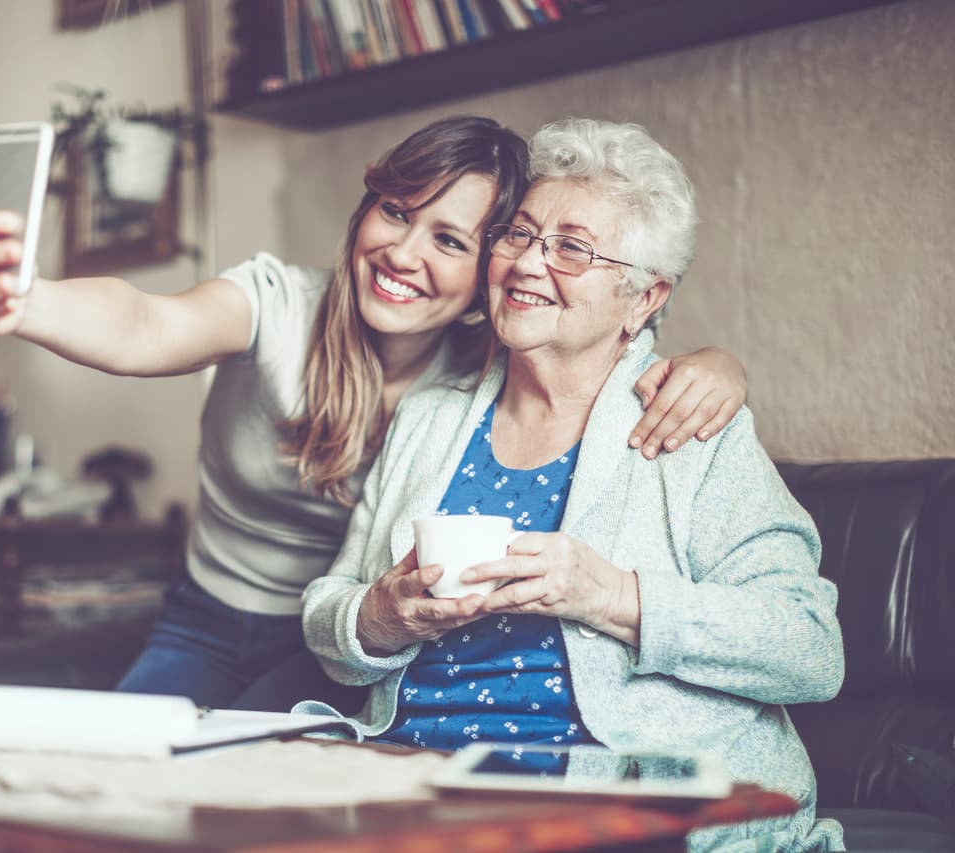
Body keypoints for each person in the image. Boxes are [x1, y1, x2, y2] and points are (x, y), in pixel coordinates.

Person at [0, 116, 748, 712]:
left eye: (450, 240)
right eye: (396, 213)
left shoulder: (488, 366)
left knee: (234, 795)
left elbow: (613, 327)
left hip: (336, 642)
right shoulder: (279, 307)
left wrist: (722, 367)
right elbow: (146, 323)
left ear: (486, 273)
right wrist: (28, 300)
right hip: (207, 615)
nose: (404, 255)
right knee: (115, 782)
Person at [299, 118, 844, 852]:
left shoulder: (688, 426)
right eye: (519, 234)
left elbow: (811, 649)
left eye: (572, 249)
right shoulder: (430, 421)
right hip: (415, 787)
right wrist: (382, 617)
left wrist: (613, 595)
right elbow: (328, 617)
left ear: (642, 298)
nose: (528, 263)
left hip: (614, 804)